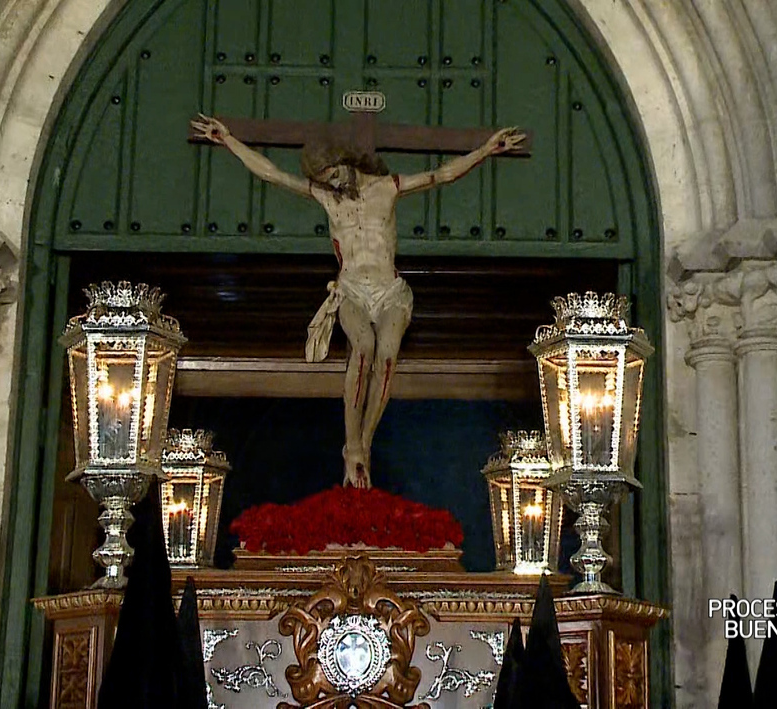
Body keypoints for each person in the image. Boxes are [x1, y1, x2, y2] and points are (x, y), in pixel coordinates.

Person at [191, 114, 526, 487]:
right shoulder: (327, 198)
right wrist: (228, 141)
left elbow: (442, 175)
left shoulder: (388, 187)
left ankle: (363, 443)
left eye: (335, 174)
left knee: (386, 355)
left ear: (346, 162)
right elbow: (273, 174)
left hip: (389, 291)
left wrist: (485, 150)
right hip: (350, 289)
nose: (334, 183)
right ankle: (351, 446)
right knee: (362, 347)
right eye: (326, 180)